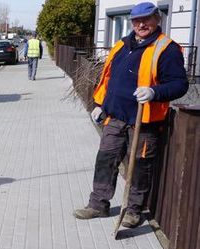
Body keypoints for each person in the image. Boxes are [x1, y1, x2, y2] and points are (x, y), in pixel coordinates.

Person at [74, 2, 188, 227]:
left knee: (140, 167)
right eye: (137, 20)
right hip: (115, 117)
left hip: (144, 122)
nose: (141, 24)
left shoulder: (166, 49)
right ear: (132, 22)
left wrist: (155, 91)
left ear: (157, 19)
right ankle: (98, 204)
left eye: (146, 19)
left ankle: (133, 210)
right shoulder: (121, 45)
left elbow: (179, 84)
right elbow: (108, 78)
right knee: (105, 160)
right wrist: (99, 104)